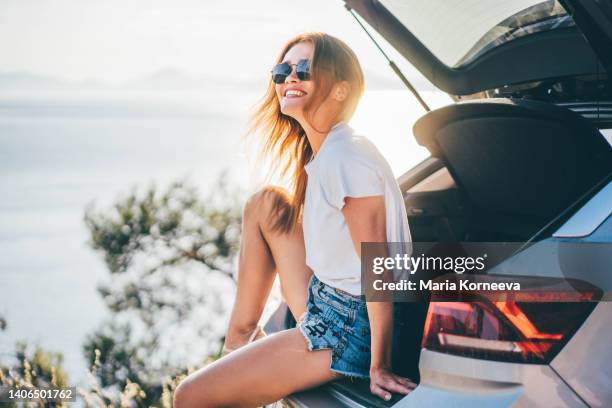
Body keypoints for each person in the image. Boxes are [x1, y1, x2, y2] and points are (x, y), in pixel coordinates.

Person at [173, 32, 415, 408]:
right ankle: (239, 342)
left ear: (339, 90)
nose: (290, 78)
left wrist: (379, 365)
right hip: (326, 300)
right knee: (266, 204)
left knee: (189, 397)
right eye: (282, 70)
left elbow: (379, 269)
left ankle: (241, 370)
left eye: (304, 69)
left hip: (348, 330)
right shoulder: (328, 152)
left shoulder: (346, 157)